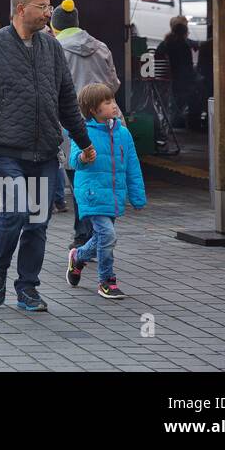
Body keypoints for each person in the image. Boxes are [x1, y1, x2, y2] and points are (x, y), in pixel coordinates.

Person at [0, 0, 96, 314]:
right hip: (6, 151)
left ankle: (27, 289)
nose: (48, 13)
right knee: (14, 213)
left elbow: (67, 99)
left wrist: (84, 143)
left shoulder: (52, 48)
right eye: (43, 7)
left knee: (38, 224)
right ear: (22, 8)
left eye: (49, 7)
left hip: (45, 152)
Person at [65, 83, 147, 300]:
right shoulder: (82, 132)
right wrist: (83, 157)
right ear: (93, 109)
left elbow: (132, 165)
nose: (114, 106)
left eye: (113, 101)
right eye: (107, 102)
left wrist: (137, 196)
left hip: (113, 195)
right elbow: (74, 161)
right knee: (108, 235)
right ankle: (107, 281)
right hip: (91, 194)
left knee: (103, 237)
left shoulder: (123, 134)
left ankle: (78, 257)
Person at [50, 0, 120, 223]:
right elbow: (113, 84)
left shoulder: (54, 50)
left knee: (79, 180)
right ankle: (99, 233)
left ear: (55, 27)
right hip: (105, 123)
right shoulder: (101, 47)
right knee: (101, 179)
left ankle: (84, 236)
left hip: (72, 125)